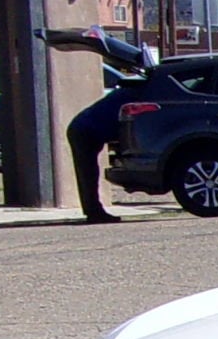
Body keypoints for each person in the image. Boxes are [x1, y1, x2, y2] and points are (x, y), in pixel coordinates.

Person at [42, 27, 152, 222]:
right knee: (89, 173)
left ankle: (93, 210)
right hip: (85, 130)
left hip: (86, 127)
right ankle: (94, 211)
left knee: (89, 172)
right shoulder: (137, 96)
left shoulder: (133, 92)